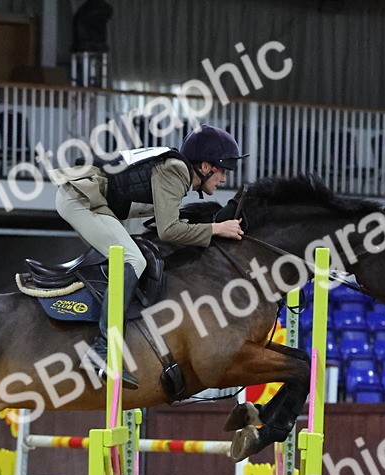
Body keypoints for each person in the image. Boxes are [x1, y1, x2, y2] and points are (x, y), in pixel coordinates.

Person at [48, 124, 247, 389]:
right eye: (222, 171)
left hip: (87, 198)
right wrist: (216, 228)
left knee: (132, 255)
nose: (223, 179)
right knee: (133, 260)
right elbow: (169, 230)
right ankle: (103, 349)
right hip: (80, 198)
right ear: (206, 166)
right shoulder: (176, 170)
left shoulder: (177, 171)